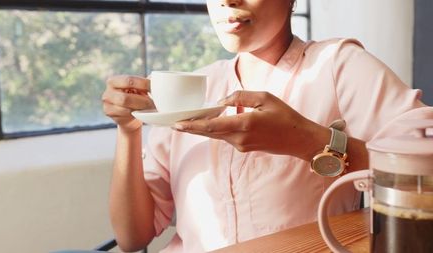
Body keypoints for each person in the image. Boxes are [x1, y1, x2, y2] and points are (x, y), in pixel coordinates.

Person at [102, 0, 433, 252]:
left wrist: (308, 141)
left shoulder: (338, 65)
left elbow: (428, 172)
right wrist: (129, 131)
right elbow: (132, 238)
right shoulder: (193, 90)